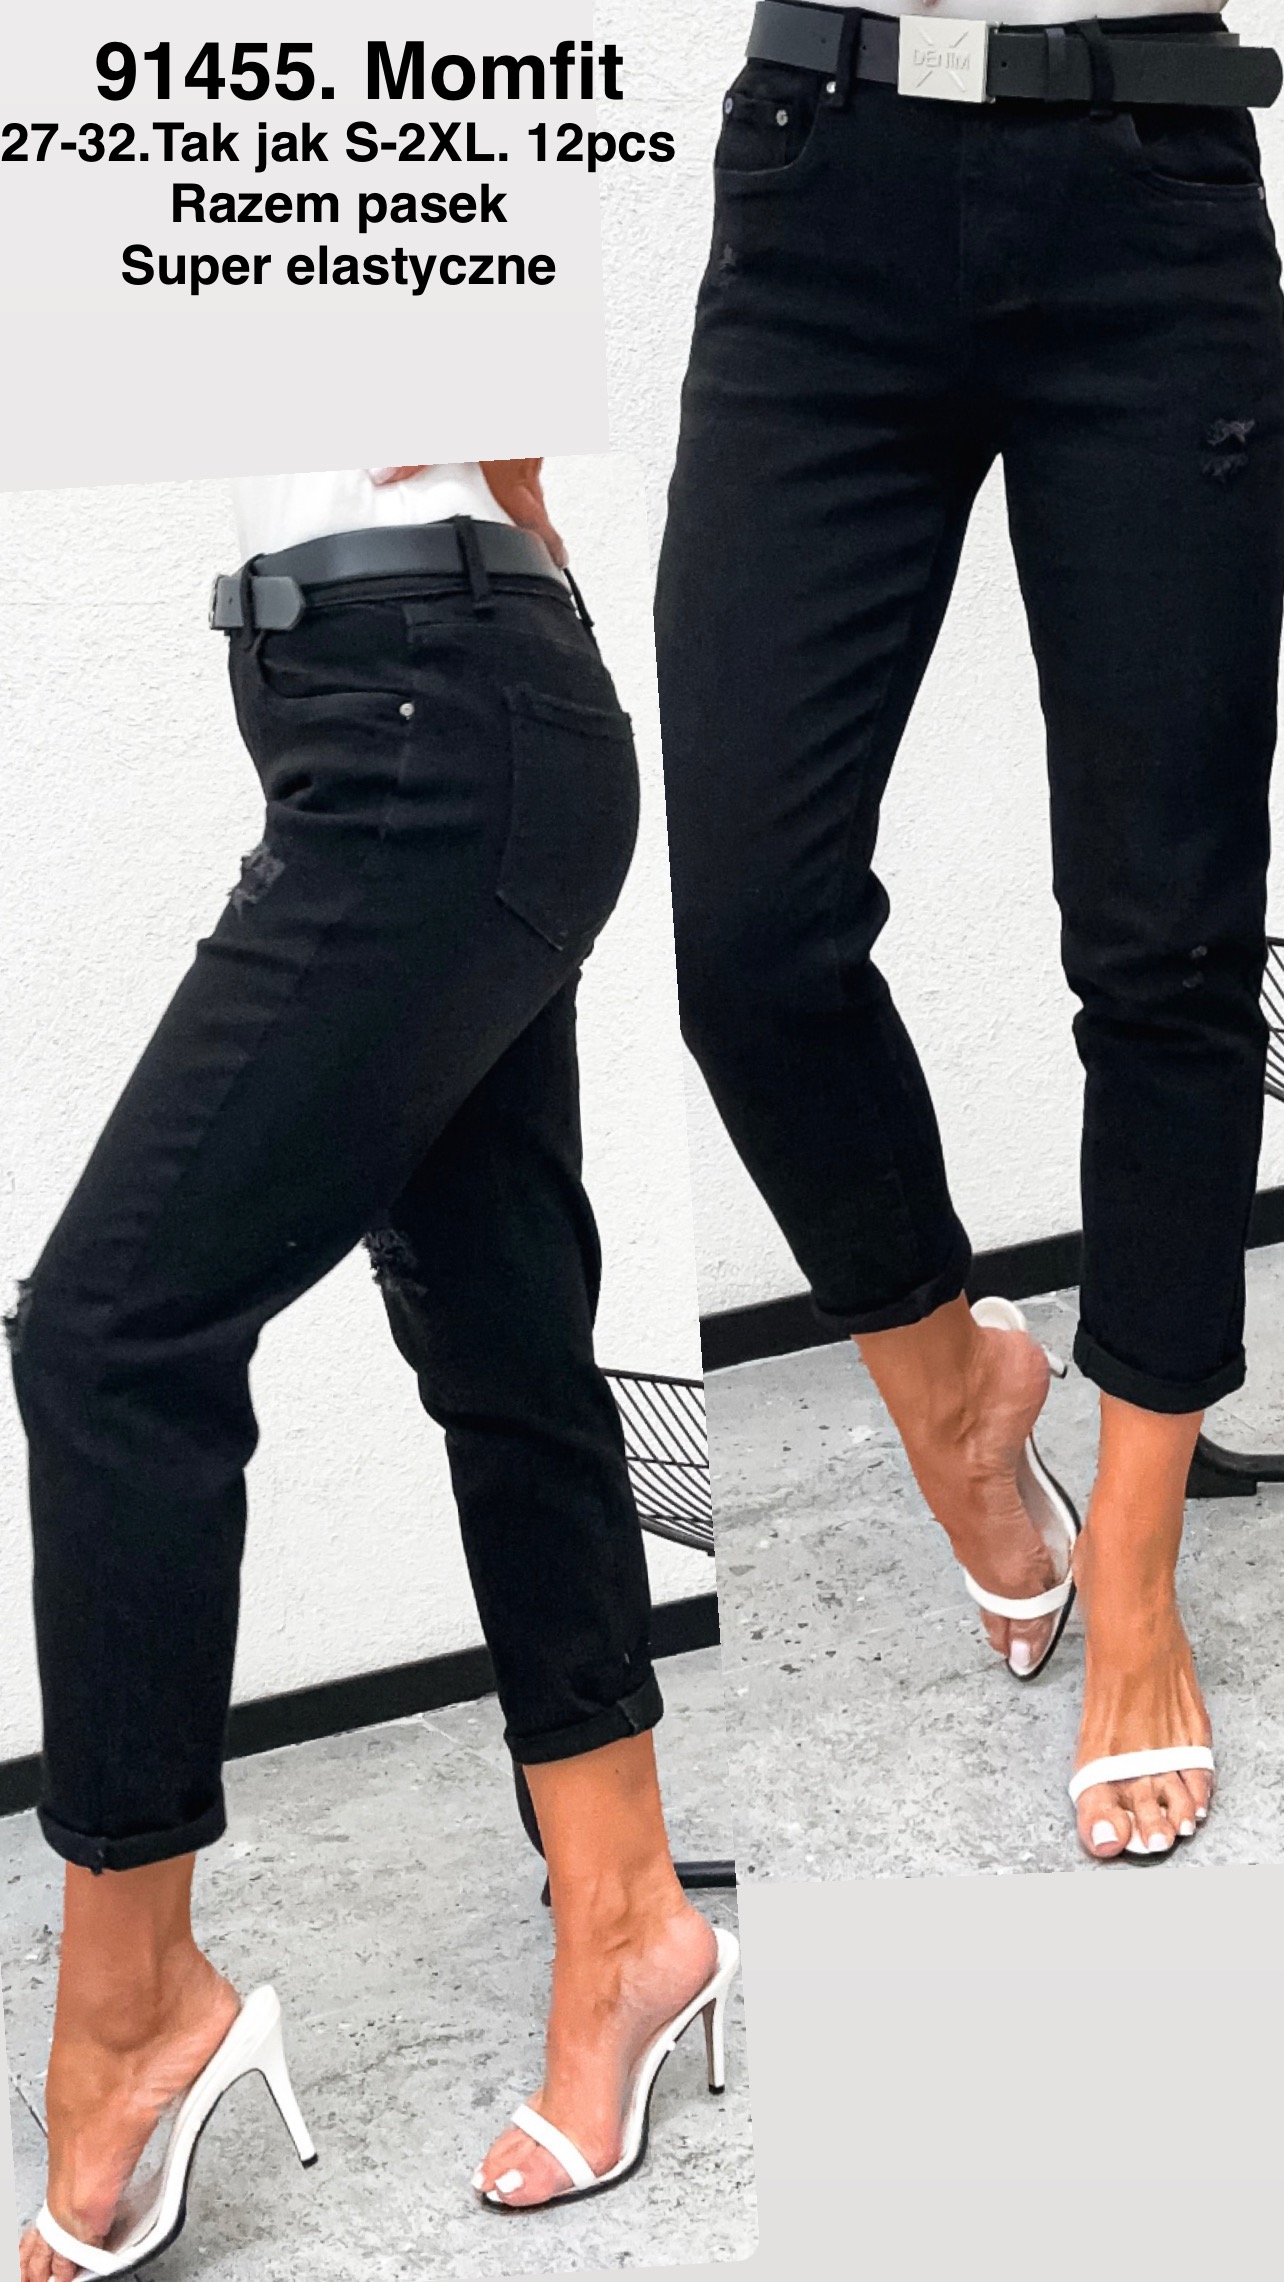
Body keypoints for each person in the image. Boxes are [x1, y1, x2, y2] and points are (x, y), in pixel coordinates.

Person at [11, 461, 736, 2282]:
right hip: (430, 687)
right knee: (504, 1332)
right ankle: (630, 1918)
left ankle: (131, 2013)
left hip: (432, 696)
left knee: (112, 1329)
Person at [655, 4, 1284, 1861]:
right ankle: (956, 1396)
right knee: (750, 936)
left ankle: (1137, 1574)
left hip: (1151, 176)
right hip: (820, 175)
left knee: (1169, 941)